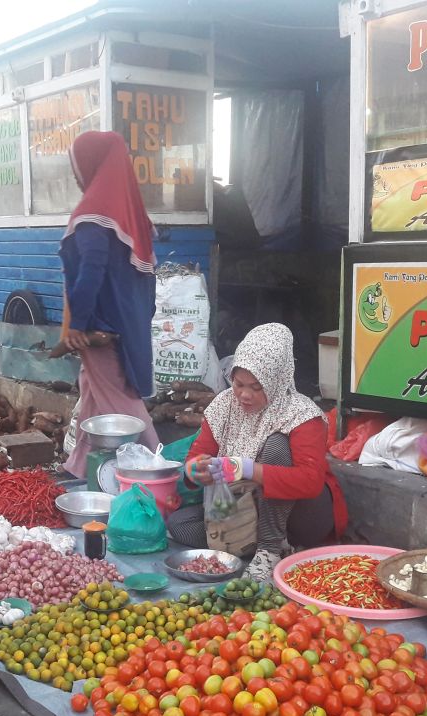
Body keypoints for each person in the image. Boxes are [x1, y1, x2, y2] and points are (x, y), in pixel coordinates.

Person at [169, 323, 347, 581]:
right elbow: (198, 455)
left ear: (276, 380)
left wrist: (248, 469)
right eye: (239, 383)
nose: (244, 395)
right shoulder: (224, 405)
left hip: (301, 516)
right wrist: (195, 471)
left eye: (256, 386)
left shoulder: (301, 414)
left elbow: (310, 482)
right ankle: (253, 543)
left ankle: (269, 548)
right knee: (179, 525)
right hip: (245, 506)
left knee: (276, 445)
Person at [60, 131, 160, 478]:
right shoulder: (131, 214)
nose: (75, 174)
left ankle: (158, 468)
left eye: (76, 165)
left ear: (92, 164)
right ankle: (78, 468)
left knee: (123, 404)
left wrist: (79, 323)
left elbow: (91, 270)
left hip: (101, 326)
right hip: (125, 324)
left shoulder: (94, 214)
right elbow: (146, 279)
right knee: (92, 391)